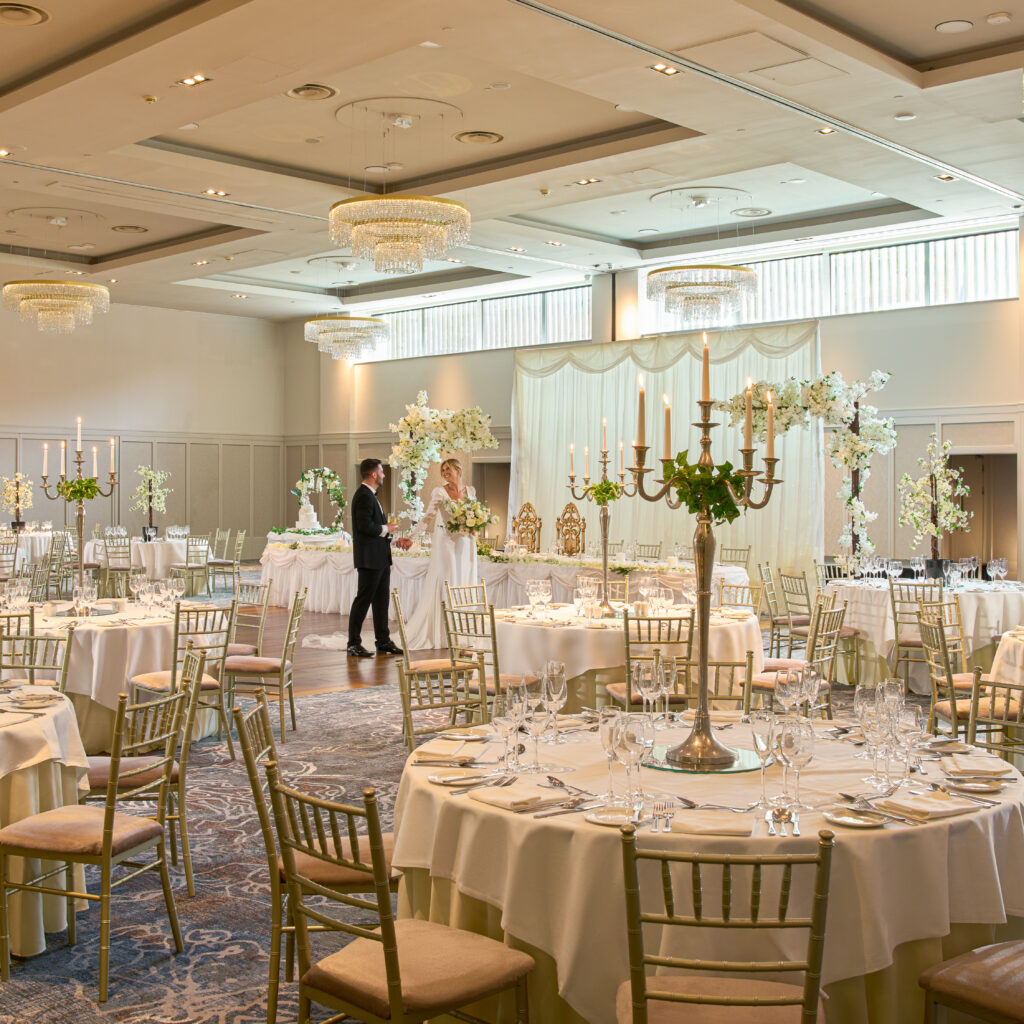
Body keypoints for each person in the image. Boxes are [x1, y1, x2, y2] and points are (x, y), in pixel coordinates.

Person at [402, 457, 479, 650]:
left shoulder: (470, 491)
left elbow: (475, 515)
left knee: (464, 581)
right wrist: (412, 536)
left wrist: (475, 527)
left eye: (448, 469)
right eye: (442, 470)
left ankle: (463, 631)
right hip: (446, 544)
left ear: (459, 470)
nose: (445, 472)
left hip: (466, 544)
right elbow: (428, 517)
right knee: (448, 581)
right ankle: (444, 633)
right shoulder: (439, 492)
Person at [346, 458, 410, 658]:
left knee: (381, 601)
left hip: (379, 558)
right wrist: (386, 528)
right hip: (369, 559)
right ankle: (353, 643)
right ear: (373, 474)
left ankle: (383, 641)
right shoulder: (364, 496)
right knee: (363, 600)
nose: (383, 475)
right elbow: (365, 527)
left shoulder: (370, 495)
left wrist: (391, 537)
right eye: (381, 472)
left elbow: (375, 531)